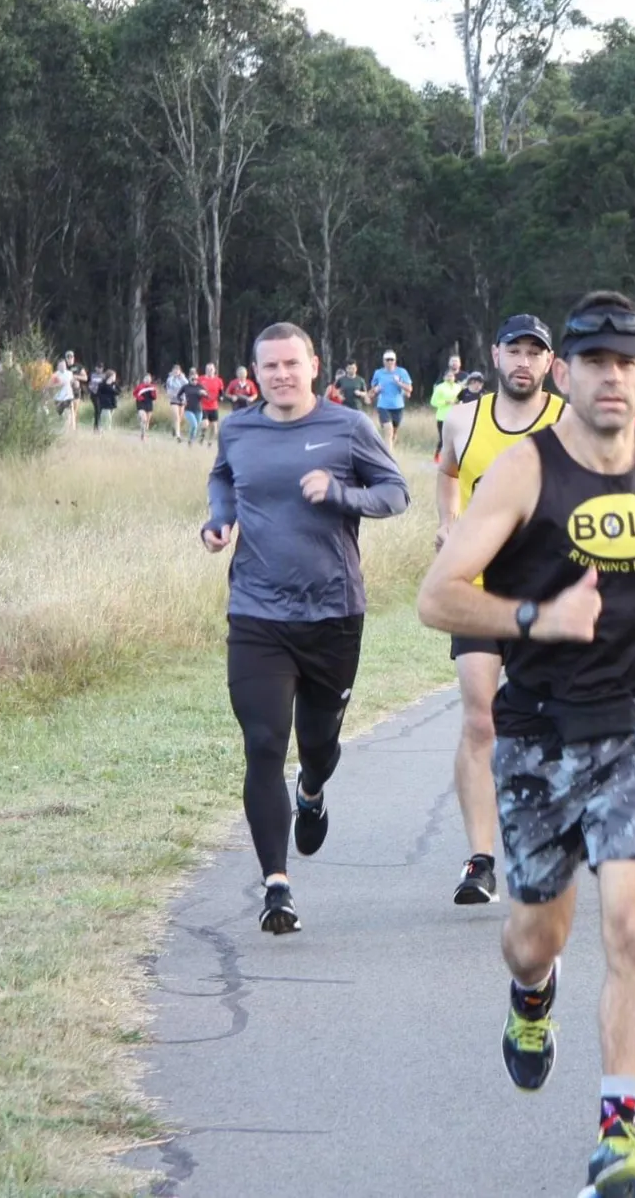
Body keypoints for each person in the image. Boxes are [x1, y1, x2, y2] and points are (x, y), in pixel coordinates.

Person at [417, 290, 635, 1198]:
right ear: (563, 374)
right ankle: (532, 997)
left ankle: (619, 1137)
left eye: (628, 364)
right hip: (539, 737)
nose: (613, 379)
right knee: (537, 936)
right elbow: (437, 596)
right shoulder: (523, 473)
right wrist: (535, 615)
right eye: (595, 363)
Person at [202, 322, 410, 934]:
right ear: (256, 371)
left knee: (316, 745)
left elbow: (397, 494)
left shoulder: (348, 428)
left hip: (333, 614)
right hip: (257, 613)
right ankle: (276, 885)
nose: (281, 375)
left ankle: (313, 789)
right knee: (264, 742)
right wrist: (219, 520)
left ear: (313, 366)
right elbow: (223, 479)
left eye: (292, 364)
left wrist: (342, 493)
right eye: (270, 367)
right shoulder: (238, 428)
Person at [435, 314, 564, 906]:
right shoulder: (464, 418)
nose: (523, 361)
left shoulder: (568, 422)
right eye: (515, 349)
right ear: (495, 354)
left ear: (549, 363)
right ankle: (481, 859)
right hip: (479, 590)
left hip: (549, 594)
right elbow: (447, 473)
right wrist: (448, 523)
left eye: (534, 353)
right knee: (480, 718)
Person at [370, 349, 413, 448]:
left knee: (393, 432)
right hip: (383, 405)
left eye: (391, 359)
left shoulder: (402, 372)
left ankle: (389, 447)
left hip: (398, 406)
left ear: (395, 360)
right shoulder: (378, 373)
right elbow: (372, 391)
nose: (389, 362)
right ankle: (388, 456)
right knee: (388, 430)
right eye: (387, 360)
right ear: (383, 361)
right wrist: (376, 389)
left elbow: (409, 389)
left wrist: (399, 383)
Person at [430, 354, 464, 458]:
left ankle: (454, 458)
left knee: (456, 438)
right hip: (442, 417)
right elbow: (433, 402)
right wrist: (445, 402)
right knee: (443, 438)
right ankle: (437, 456)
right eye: (448, 376)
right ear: (444, 377)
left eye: (451, 376)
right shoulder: (440, 387)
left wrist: (460, 403)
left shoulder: (458, 387)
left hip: (456, 416)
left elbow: (463, 398)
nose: (450, 378)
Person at [196, 364, 223, 445]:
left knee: (215, 428)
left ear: (214, 370)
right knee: (205, 424)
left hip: (214, 406)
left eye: (211, 369)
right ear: (205, 370)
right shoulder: (200, 379)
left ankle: (209, 442)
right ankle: (201, 437)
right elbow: (194, 388)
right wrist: (199, 392)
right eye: (207, 369)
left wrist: (221, 397)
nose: (209, 370)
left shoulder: (218, 380)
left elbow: (221, 392)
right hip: (203, 405)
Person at [178, 373, 206, 446]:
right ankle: (190, 441)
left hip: (198, 410)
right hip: (188, 409)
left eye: (196, 379)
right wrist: (182, 401)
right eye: (193, 379)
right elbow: (178, 395)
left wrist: (204, 394)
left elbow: (207, 396)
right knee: (194, 425)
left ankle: (191, 441)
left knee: (195, 427)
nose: (195, 381)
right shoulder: (186, 387)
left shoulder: (200, 386)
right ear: (189, 379)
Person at [52, 356, 78, 431]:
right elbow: (51, 386)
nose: (63, 367)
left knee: (68, 414)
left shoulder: (69, 373)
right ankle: (61, 429)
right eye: (61, 365)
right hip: (58, 398)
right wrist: (59, 384)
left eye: (64, 365)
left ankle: (69, 429)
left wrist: (75, 383)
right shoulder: (55, 375)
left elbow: (72, 381)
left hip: (68, 396)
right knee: (60, 415)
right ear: (58, 366)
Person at [165, 364, 189, 441]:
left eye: (177, 370)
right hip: (173, 399)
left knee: (180, 418)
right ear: (172, 371)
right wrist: (172, 377)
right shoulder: (170, 379)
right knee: (177, 417)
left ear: (180, 371)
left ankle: (174, 428)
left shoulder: (182, 379)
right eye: (174, 370)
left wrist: (181, 377)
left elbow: (187, 384)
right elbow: (170, 385)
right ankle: (178, 436)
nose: (176, 371)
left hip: (181, 399)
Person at [91, 368, 119, 433]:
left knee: (109, 418)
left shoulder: (114, 384)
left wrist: (113, 386)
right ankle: (104, 430)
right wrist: (107, 385)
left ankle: (102, 429)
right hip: (104, 404)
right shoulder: (102, 384)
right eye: (113, 376)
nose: (114, 378)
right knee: (107, 418)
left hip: (112, 404)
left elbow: (118, 392)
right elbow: (99, 392)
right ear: (110, 377)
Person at [132, 373, 158, 442]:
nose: (147, 380)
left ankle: (143, 435)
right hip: (141, 403)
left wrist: (153, 393)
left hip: (149, 404)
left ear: (151, 380)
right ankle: (143, 436)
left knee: (146, 423)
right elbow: (134, 393)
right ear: (143, 379)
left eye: (149, 379)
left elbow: (155, 397)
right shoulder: (140, 386)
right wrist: (139, 397)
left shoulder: (153, 387)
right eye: (146, 379)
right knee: (144, 419)